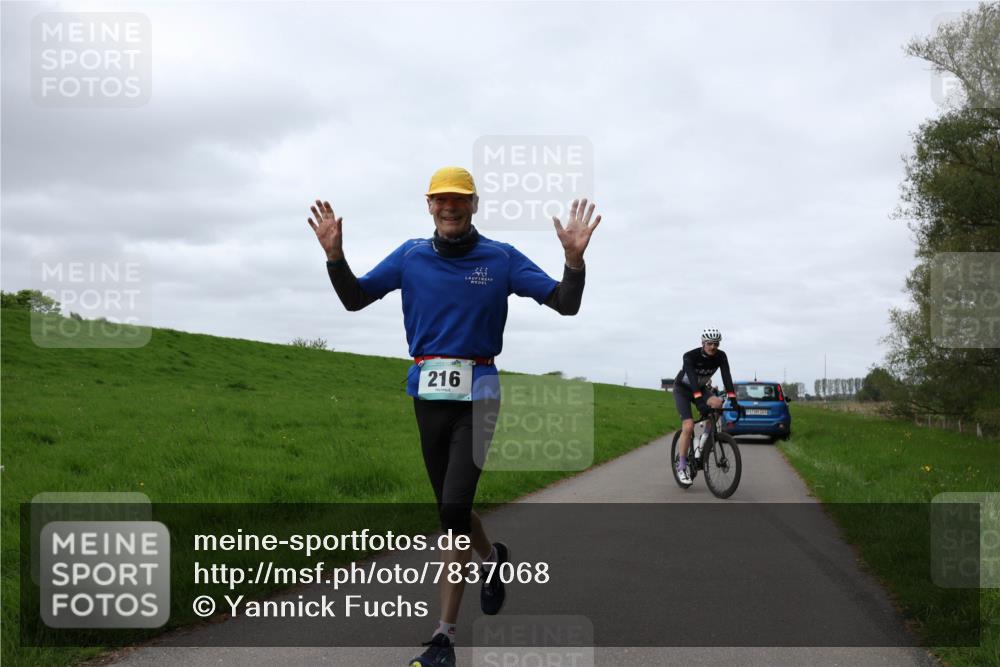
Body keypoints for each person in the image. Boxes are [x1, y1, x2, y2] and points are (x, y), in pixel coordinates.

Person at [306, 166, 601, 667]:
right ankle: (493, 561)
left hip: (480, 392)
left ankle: (444, 637)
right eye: (440, 200)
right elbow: (355, 299)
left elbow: (564, 304)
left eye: (459, 200)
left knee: (451, 512)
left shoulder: (501, 258)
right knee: (453, 508)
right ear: (428, 206)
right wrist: (335, 257)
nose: (450, 208)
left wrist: (574, 263)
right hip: (427, 393)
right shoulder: (410, 256)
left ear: (474, 205)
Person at [672, 328, 738, 485]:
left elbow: (726, 376)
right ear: (702, 343)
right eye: (709, 343)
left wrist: (733, 398)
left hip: (701, 389)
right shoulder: (690, 356)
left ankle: (705, 437)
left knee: (717, 404)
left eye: (716, 344)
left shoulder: (721, 356)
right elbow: (693, 380)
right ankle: (681, 466)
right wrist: (699, 401)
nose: (713, 347)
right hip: (683, 389)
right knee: (688, 427)